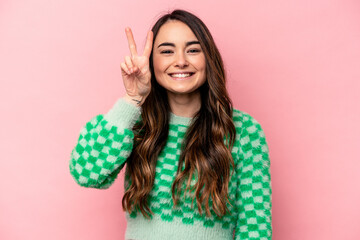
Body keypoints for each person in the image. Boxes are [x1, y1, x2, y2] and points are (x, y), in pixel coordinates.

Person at [69, 9, 272, 240]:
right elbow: (85, 172)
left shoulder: (243, 131)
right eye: (167, 51)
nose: (181, 61)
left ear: (209, 58)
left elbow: (256, 228)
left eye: (193, 50)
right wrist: (133, 98)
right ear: (151, 62)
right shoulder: (134, 123)